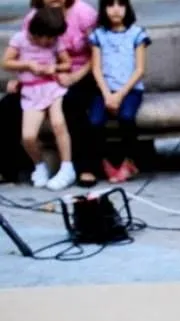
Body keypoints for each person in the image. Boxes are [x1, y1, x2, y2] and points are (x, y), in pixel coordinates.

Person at [0, 0, 98, 186]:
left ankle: (84, 167)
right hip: (39, 80)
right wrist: (21, 77)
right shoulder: (34, 18)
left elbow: (98, 52)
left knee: (71, 104)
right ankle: (13, 167)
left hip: (80, 73)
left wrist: (74, 76)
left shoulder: (83, 13)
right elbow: (24, 53)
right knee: (7, 106)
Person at [88, 0, 150, 183]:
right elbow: (96, 69)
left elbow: (139, 70)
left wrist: (120, 94)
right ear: (103, 9)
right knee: (95, 121)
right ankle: (105, 162)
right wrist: (107, 94)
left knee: (126, 117)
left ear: (127, 8)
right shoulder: (98, 35)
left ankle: (129, 161)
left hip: (129, 90)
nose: (116, 10)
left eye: (120, 5)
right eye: (110, 5)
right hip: (104, 90)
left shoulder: (137, 34)